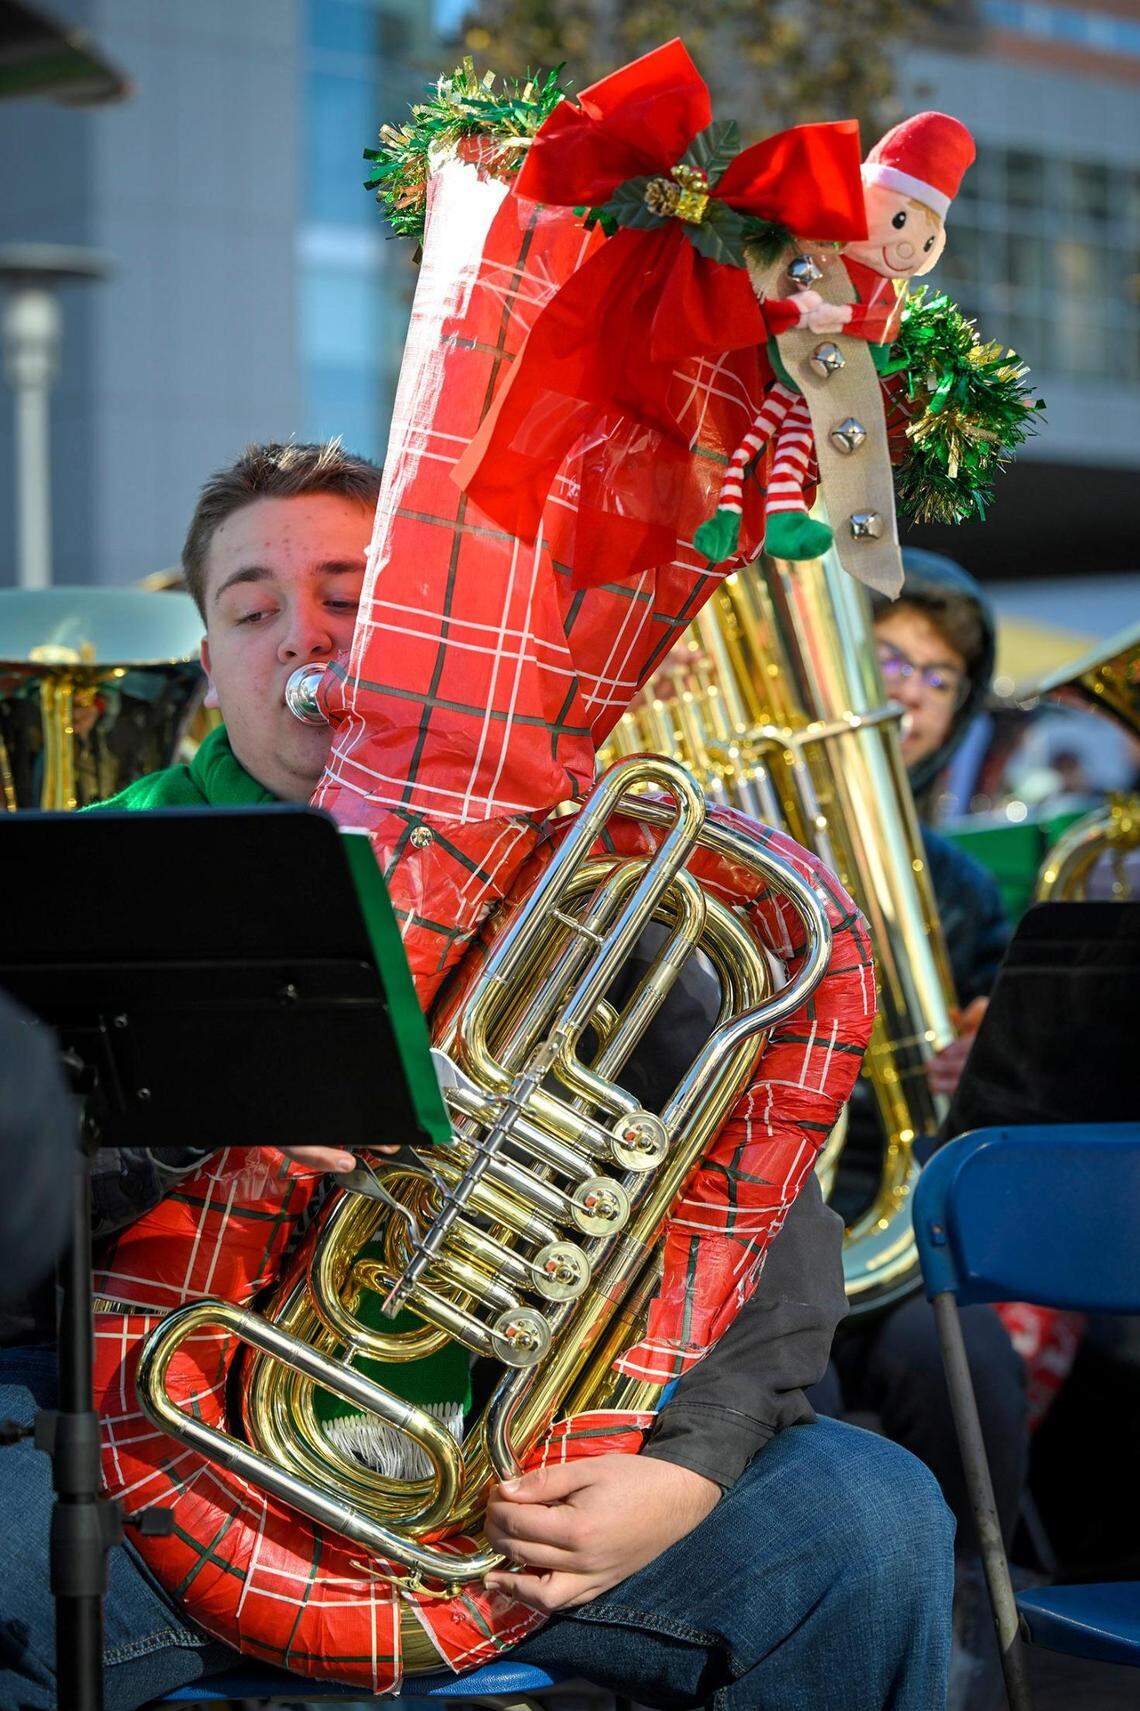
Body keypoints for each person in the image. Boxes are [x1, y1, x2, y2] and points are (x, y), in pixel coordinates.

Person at [0, 443, 953, 1711]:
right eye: (252, 611)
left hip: (513, 1490)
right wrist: (190, 1116)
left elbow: (760, 1211)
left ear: (427, 623)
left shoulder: (605, 879)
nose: (306, 640)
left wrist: (689, 1467)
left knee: (871, 1522)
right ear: (211, 659)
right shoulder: (94, 871)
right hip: (148, 1470)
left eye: (350, 595)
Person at [811, 548, 1028, 1711]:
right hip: (755, 1221)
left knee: (972, 1375)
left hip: (889, 1223)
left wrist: (985, 1066)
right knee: (814, 1423)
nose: (907, 692)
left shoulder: (958, 884)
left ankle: (945, 1642)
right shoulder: (758, 815)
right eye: (888, 658)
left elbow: (1005, 1111)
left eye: (939, 678)